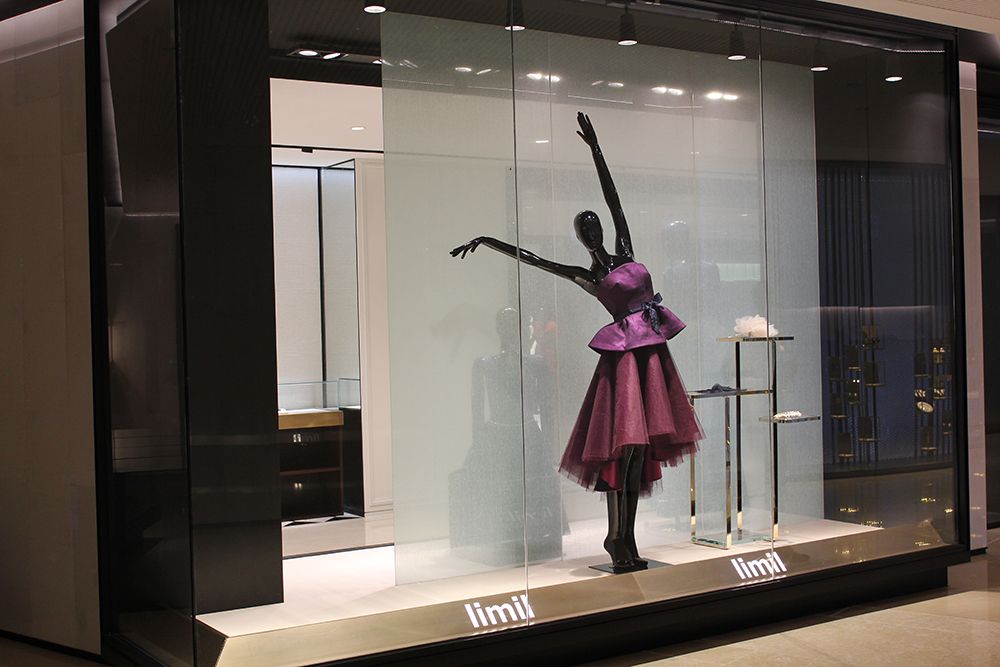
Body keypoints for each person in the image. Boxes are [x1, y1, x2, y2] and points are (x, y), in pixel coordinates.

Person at [451, 112, 703, 572]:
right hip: (625, 362)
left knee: (640, 450)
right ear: (581, 239)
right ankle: (616, 536)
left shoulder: (625, 250)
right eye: (585, 230)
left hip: (651, 355)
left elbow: (614, 199)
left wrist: (596, 150)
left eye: (595, 225)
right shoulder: (589, 275)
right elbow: (535, 260)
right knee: (625, 447)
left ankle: (626, 537)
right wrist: (488, 241)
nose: (593, 230)